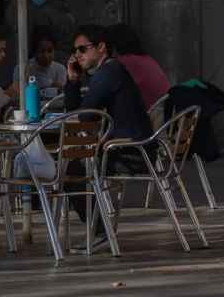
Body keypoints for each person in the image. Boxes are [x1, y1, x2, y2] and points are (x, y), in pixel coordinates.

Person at [61, 24, 153, 228]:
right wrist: (73, 80)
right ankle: (101, 232)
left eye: (82, 49)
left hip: (131, 154)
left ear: (101, 47)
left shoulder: (108, 73)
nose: (77, 56)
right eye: (74, 51)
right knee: (72, 165)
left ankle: (101, 233)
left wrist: (74, 83)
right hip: (139, 148)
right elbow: (80, 114)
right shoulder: (112, 70)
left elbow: (82, 116)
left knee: (68, 169)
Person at [107, 23, 172, 109]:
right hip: (167, 115)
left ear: (113, 45)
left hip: (151, 118)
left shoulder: (124, 62)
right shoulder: (146, 58)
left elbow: (105, 91)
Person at [26, 34, 67, 100]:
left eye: (50, 51)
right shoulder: (26, 68)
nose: (46, 55)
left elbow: (62, 94)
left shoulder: (60, 69)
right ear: (35, 52)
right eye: (42, 51)